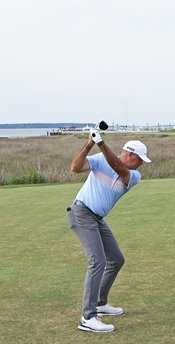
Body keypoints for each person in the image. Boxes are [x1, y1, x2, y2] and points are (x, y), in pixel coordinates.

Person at [67, 128, 151, 333]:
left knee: (116, 259)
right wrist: (89, 144)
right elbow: (75, 168)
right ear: (131, 155)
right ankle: (88, 317)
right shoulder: (99, 159)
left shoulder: (134, 175)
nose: (142, 164)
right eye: (140, 159)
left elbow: (117, 166)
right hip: (81, 212)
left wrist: (102, 143)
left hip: (97, 219)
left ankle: (100, 303)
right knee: (98, 261)